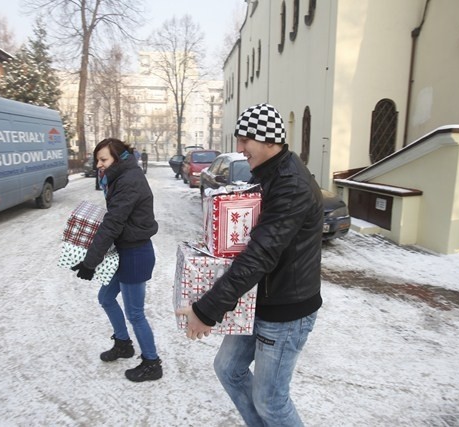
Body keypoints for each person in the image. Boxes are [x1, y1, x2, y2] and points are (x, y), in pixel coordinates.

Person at [176, 103, 323, 425]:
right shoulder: (269, 176)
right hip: (257, 300)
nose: (240, 149)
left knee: (271, 400)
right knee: (228, 369)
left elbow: (261, 254)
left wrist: (206, 310)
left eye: (245, 140)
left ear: (270, 141)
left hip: (287, 310)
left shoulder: (290, 185)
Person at [71, 138, 162, 382]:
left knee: (135, 313)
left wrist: (91, 261)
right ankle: (123, 343)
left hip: (135, 254)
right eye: (97, 160)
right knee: (106, 297)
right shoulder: (120, 176)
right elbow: (114, 220)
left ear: (117, 158)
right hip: (125, 250)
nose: (99, 164)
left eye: (103, 160)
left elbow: (113, 222)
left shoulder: (129, 180)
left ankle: (152, 362)